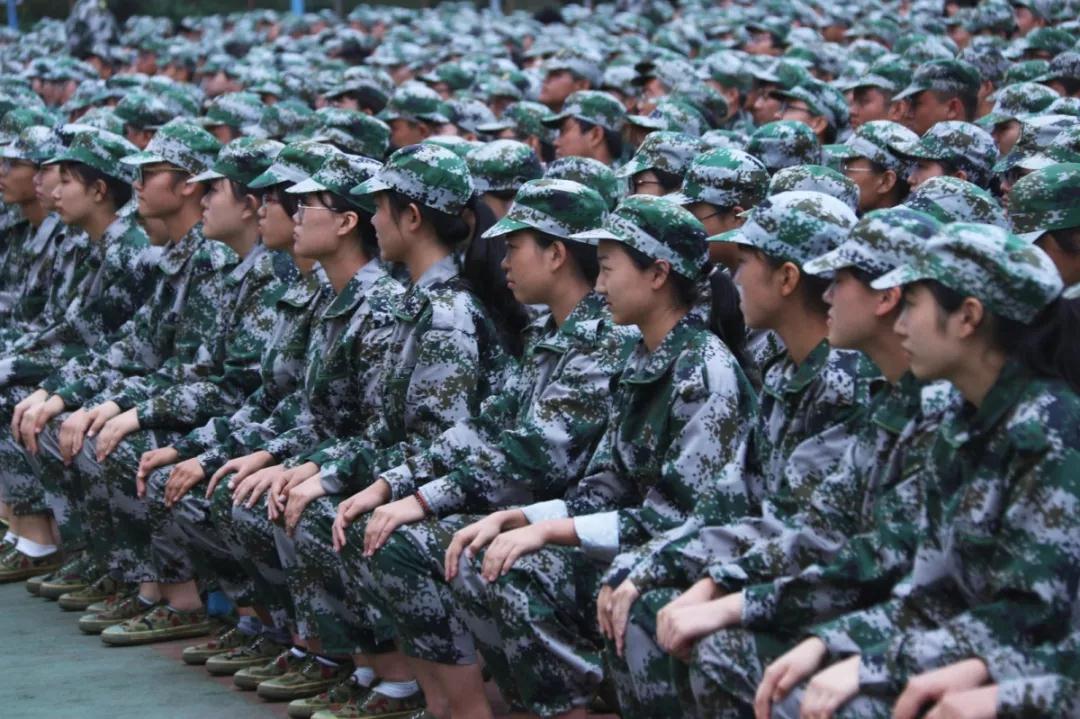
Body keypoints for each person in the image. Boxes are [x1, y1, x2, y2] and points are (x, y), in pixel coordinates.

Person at [753, 223, 1080, 719]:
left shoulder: (1050, 435)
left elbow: (1030, 618)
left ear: (967, 317)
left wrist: (873, 665)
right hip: (969, 658)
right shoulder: (964, 423)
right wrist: (832, 644)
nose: (900, 324)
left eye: (911, 305)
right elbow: (932, 596)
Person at [448, 195, 757, 719]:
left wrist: (551, 530)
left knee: (527, 572)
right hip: (640, 543)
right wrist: (525, 518)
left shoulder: (703, 372)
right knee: (488, 553)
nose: (598, 286)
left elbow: (683, 518)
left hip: (686, 559)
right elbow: (607, 485)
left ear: (657, 274)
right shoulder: (643, 356)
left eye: (609, 269)